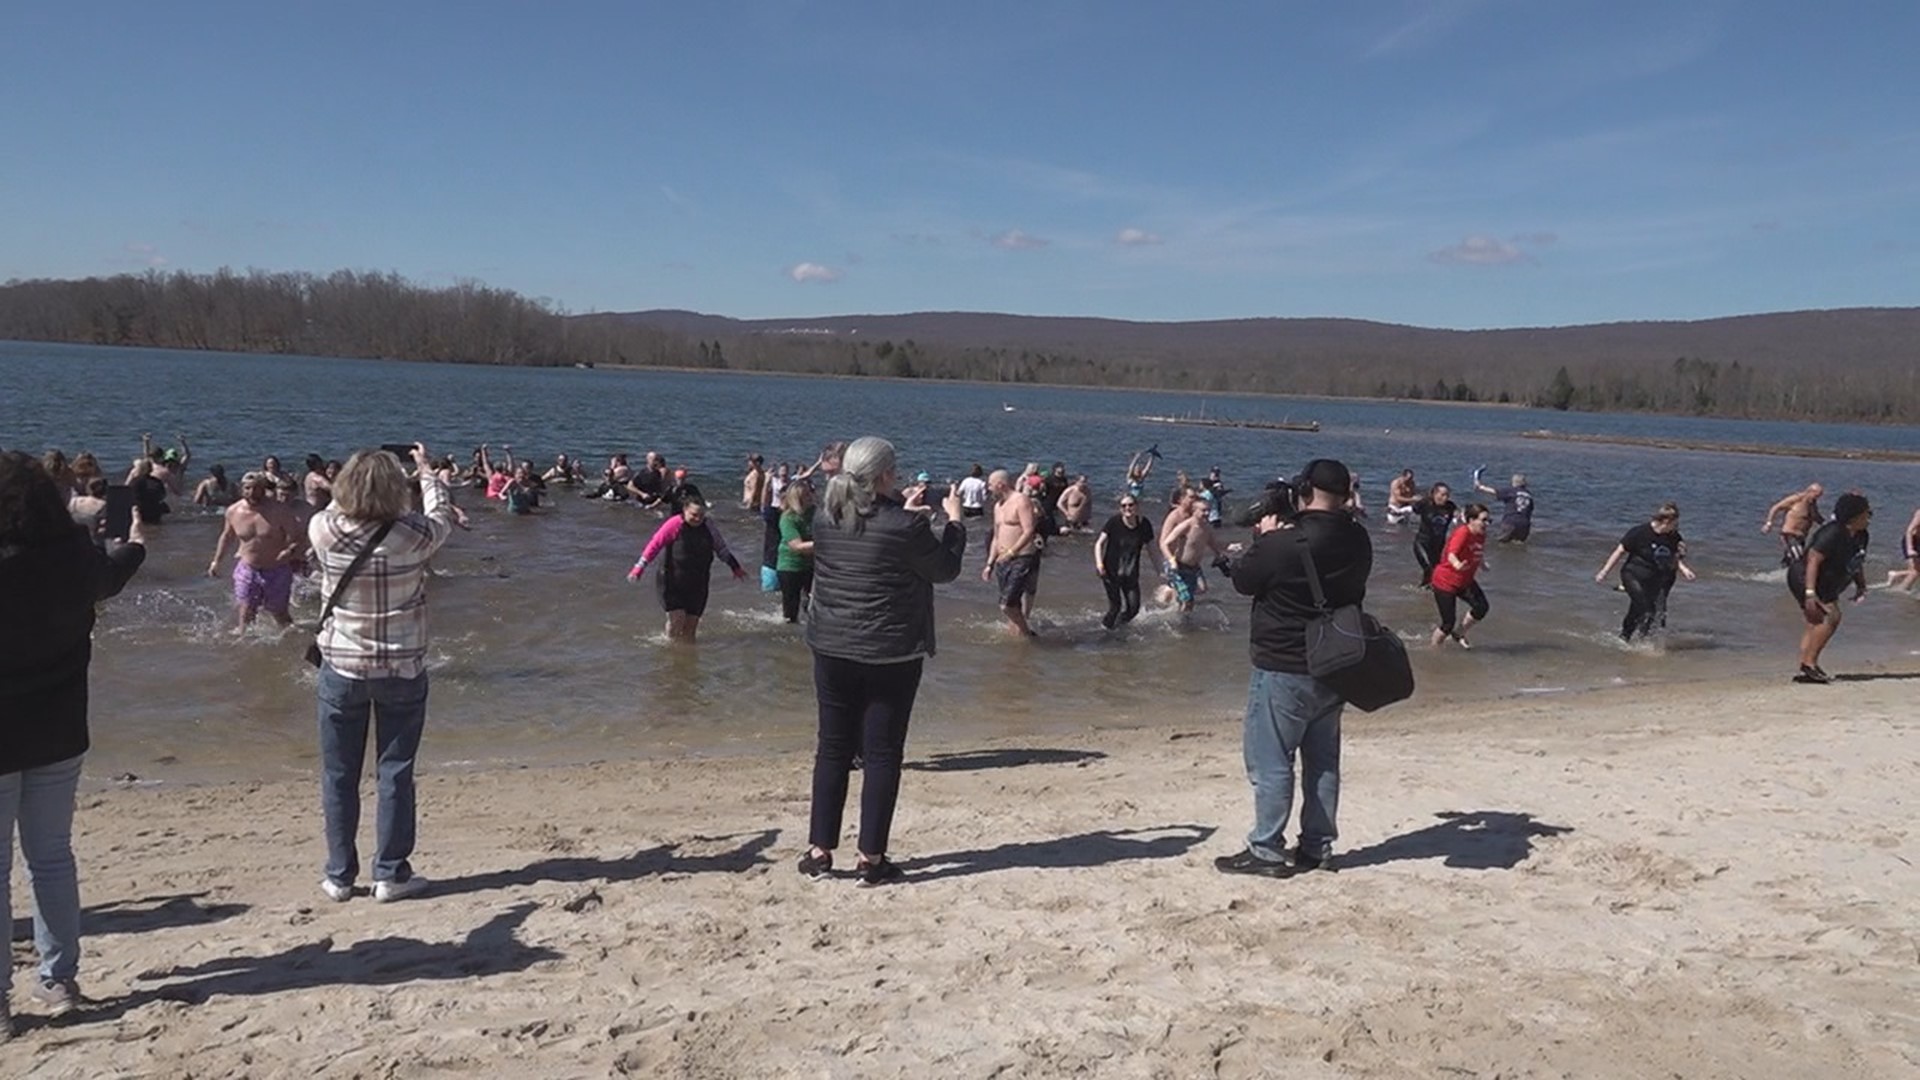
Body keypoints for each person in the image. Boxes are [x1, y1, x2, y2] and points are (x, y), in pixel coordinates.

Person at [0, 452, 145, 1031]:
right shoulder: (72, 558)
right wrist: (135, 543)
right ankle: (59, 980)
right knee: (52, 859)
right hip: (59, 729)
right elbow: (114, 571)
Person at [800, 437, 966, 887]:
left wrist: (905, 511)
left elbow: (870, 529)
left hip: (831, 646)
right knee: (881, 753)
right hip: (889, 652)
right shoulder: (905, 527)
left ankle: (819, 851)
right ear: (886, 475)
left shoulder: (826, 515)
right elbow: (945, 569)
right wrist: (954, 522)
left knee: (832, 746)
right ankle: (871, 858)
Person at [310, 444, 456, 904]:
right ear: (399, 490)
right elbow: (442, 514)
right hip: (402, 664)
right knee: (395, 772)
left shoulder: (325, 529)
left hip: (342, 664)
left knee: (339, 774)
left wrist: (354, 478)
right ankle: (390, 873)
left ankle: (339, 875)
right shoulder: (413, 534)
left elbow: (338, 503)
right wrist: (426, 471)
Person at [1217, 458, 1371, 876]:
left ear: (1305, 491)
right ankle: (1318, 847)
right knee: (1322, 762)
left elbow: (1244, 580)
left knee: (1270, 759)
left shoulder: (1284, 542)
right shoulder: (1359, 539)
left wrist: (1265, 538)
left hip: (1283, 663)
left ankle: (1266, 848)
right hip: (1336, 663)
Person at [627, 498, 745, 642]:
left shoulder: (708, 526)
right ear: (685, 510)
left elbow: (721, 548)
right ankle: (670, 650)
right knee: (677, 619)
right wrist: (639, 567)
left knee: (690, 627)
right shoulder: (674, 524)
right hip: (672, 580)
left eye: (701, 515)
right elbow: (655, 545)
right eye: (694, 515)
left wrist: (735, 567)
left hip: (698, 582)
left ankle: (686, 658)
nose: (697, 519)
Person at [1787, 492, 1871, 684]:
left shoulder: (1862, 535)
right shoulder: (1832, 532)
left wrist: (1861, 584)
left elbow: (1857, 560)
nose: (1869, 517)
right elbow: (1813, 561)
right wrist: (1810, 594)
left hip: (1827, 581)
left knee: (1816, 621)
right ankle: (1809, 665)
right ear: (1855, 516)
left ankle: (1807, 666)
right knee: (1830, 616)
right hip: (1803, 576)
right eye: (1867, 513)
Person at [206, 471, 304, 631]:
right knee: (246, 613)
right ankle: (243, 649)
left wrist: (290, 550)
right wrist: (216, 561)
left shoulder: (279, 511)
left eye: (257, 488)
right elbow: (227, 536)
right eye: (248, 488)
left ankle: (292, 645)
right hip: (248, 569)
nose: (252, 493)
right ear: (241, 489)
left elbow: (298, 536)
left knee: (280, 615)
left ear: (264, 489)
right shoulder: (233, 511)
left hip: (277, 569)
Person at [1595, 503, 1697, 642]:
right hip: (1633, 575)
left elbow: (1672, 556)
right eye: (1675, 523)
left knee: (1638, 610)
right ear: (1666, 522)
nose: (1676, 527)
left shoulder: (1673, 536)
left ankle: (1626, 638)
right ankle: (1643, 645)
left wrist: (1684, 569)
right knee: (1647, 610)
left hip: (1654, 579)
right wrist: (1604, 571)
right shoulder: (1639, 532)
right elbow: (1619, 551)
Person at [982, 469, 1041, 637]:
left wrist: (1012, 551)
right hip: (1002, 560)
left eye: (990, 485)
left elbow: (1029, 530)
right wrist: (989, 564)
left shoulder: (1021, 501)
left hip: (1021, 557)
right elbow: (996, 536)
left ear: (1001, 484)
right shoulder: (997, 507)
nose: (989, 488)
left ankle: (1027, 635)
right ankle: (1017, 637)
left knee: (1006, 605)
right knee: (1011, 605)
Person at [1430, 503, 1492, 648]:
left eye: (1488, 520)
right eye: (1483, 520)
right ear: (1471, 520)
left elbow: (1476, 550)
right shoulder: (1463, 532)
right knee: (1447, 623)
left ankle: (1459, 633)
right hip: (1445, 582)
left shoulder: (1481, 534)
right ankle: (1433, 651)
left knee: (1482, 607)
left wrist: (1482, 564)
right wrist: (1457, 564)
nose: (1486, 524)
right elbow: (1452, 553)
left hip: (1465, 581)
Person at [1160, 488, 1230, 614]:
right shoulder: (1176, 517)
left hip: (1192, 564)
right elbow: (1163, 542)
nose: (1194, 500)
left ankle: (1177, 601)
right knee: (1187, 599)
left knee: (1201, 589)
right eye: (1191, 497)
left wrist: (1223, 551)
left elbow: (1210, 541)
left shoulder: (1202, 523)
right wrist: (1170, 560)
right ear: (1182, 499)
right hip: (1176, 562)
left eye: (1195, 497)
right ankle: (1179, 622)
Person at [1095, 495, 1156, 629]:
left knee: (1134, 609)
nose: (1127, 508)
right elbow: (1099, 543)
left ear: (1137, 506)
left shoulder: (1144, 525)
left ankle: (1118, 626)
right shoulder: (1114, 522)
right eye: (1123, 506)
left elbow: (1152, 549)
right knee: (1115, 607)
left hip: (1131, 572)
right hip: (1110, 572)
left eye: (1130, 505)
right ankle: (1104, 630)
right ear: (1120, 509)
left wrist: (1160, 570)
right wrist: (1099, 564)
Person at [776, 481, 816, 623]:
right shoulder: (788, 518)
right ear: (797, 498)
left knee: (813, 603)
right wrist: (824, 543)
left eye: (810, 493)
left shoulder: (814, 512)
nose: (810, 497)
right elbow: (797, 546)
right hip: (790, 566)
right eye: (806, 495)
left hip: (811, 565)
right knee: (791, 612)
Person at [1762, 483, 1825, 565]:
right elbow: (1776, 507)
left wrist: (1828, 524)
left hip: (1801, 537)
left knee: (1791, 558)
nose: (1817, 498)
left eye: (1819, 496)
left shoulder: (1812, 504)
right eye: (1816, 496)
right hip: (1789, 534)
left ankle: (1784, 572)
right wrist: (1769, 523)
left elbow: (1816, 517)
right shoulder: (1796, 499)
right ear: (1809, 492)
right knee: (1799, 558)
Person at [1411, 482, 1458, 586]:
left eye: (1447, 495)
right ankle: (1426, 589)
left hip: (1438, 545)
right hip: (1422, 542)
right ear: (1434, 494)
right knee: (1428, 567)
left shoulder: (1450, 507)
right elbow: (1412, 510)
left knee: (1435, 570)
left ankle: (1424, 590)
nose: (1444, 498)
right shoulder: (1425, 504)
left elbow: (1458, 515)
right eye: (1442, 495)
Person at [1474, 470, 1534, 543]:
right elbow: (1530, 510)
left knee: (1501, 543)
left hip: (1511, 522)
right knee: (1519, 544)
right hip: (1525, 524)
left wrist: (1481, 487)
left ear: (1513, 483)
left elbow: (1494, 492)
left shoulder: (1511, 491)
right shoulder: (1529, 495)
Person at [1884, 507, 1920, 593]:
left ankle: (1896, 575)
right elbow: (1909, 531)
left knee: (1916, 570)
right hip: (1913, 541)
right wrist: (1910, 549)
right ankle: (1899, 591)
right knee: (1915, 571)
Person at [127, 457, 171, 527]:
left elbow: (130, 495)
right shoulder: (157, 481)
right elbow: (163, 495)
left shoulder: (136, 481)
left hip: (142, 511)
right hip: (155, 511)